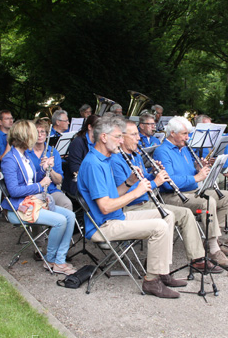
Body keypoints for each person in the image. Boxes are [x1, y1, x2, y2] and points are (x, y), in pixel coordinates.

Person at [78, 117, 182, 298]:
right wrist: (136, 192)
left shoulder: (104, 159)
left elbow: (112, 195)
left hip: (115, 218)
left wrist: (129, 182)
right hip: (102, 225)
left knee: (167, 215)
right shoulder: (93, 164)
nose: (121, 141)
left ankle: (161, 272)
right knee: (159, 226)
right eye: (118, 136)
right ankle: (151, 282)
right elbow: (104, 207)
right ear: (103, 137)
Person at [112, 120, 221, 273]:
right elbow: (126, 192)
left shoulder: (135, 156)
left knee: (186, 214)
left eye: (138, 133)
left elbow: (143, 180)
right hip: (132, 206)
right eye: (134, 134)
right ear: (121, 138)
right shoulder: (116, 160)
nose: (138, 138)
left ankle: (196, 259)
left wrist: (154, 174)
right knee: (178, 215)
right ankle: (159, 265)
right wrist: (156, 182)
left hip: (146, 202)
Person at [153, 116, 228, 268]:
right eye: (184, 134)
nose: (188, 137)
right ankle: (213, 248)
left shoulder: (184, 149)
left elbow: (189, 172)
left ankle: (214, 239)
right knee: (207, 202)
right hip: (173, 196)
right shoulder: (162, 151)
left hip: (192, 192)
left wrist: (198, 168)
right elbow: (169, 183)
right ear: (172, 133)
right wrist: (197, 177)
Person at [1, 120, 77, 274]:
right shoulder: (10, 159)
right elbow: (14, 191)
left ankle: (60, 260)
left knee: (70, 215)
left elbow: (31, 178)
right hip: (20, 207)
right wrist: (40, 185)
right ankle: (50, 260)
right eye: (33, 134)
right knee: (60, 221)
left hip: (32, 202)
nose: (37, 137)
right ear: (25, 137)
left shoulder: (22, 156)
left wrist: (44, 169)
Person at [29, 118, 73, 210]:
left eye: (43, 132)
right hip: (33, 191)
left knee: (67, 203)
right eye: (37, 132)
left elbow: (59, 181)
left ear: (47, 134)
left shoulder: (53, 152)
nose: (40, 135)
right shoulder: (26, 152)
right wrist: (40, 169)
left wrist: (50, 169)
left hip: (51, 190)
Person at [62, 114, 98, 196]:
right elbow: (75, 168)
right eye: (99, 128)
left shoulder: (98, 143)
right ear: (90, 127)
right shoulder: (78, 142)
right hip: (78, 183)